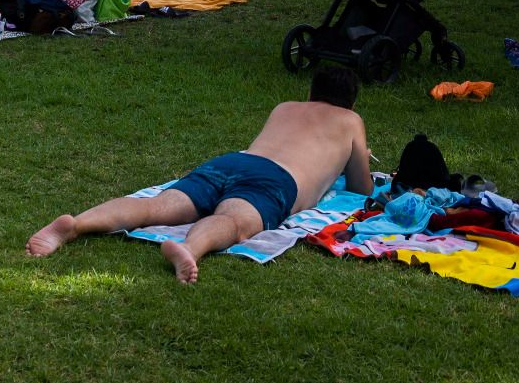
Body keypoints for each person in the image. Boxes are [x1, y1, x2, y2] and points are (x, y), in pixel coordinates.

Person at [28, 67, 371, 283]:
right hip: (277, 180)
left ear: (310, 94)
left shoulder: (285, 107)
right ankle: (190, 249)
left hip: (233, 162)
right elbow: (360, 186)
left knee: (157, 206)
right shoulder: (350, 121)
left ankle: (76, 225)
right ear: (351, 104)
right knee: (234, 220)